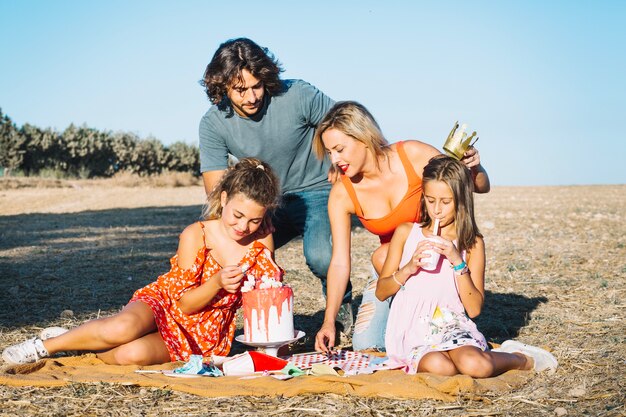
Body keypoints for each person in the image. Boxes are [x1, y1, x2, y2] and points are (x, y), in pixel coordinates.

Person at [2, 158, 283, 366]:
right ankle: (45, 346)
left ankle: (80, 344)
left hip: (203, 335)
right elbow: (183, 304)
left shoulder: (261, 242)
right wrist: (217, 282)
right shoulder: (196, 234)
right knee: (122, 329)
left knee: (129, 354)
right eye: (237, 215)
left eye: (254, 220)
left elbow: (268, 298)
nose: (244, 226)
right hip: (168, 304)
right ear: (223, 199)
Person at [198, 38, 354, 332]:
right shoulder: (212, 123)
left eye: (257, 86)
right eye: (240, 90)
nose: (252, 97)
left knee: (321, 257)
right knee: (223, 248)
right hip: (265, 202)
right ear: (222, 87)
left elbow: (344, 125)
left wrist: (339, 166)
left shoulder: (297, 93)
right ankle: (222, 323)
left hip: (318, 189)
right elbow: (217, 193)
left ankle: (341, 308)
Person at [313, 101, 491, 352]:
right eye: (330, 152)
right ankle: (409, 317)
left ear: (363, 137)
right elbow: (340, 262)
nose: (334, 159)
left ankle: (442, 322)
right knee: (366, 345)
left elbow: (476, 186)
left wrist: (474, 167)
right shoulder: (342, 193)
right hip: (397, 268)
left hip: (442, 260)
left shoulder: (411, 155)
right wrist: (328, 321)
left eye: (339, 149)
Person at [376, 155, 557, 375]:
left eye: (446, 201)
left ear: (461, 200)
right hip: (412, 329)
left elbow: (474, 308)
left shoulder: (472, 244)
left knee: (475, 366)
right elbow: (381, 292)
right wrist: (408, 269)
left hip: (451, 324)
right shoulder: (406, 233)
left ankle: (519, 358)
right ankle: (451, 358)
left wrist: (457, 261)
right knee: (440, 367)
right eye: (430, 200)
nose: (437, 210)